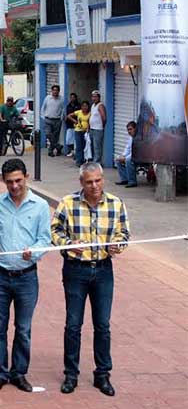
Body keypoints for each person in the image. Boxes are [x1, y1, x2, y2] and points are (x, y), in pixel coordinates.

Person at [51, 162, 130, 396]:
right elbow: (55, 231)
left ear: (103, 179)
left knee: (103, 325)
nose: (94, 186)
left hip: (104, 270)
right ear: (81, 183)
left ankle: (102, 374)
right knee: (73, 325)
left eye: (98, 180)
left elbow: (124, 232)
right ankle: (71, 374)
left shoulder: (116, 204)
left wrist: (119, 245)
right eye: (89, 182)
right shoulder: (68, 202)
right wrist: (68, 245)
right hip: (76, 270)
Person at [0, 159, 51, 393]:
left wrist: (33, 253)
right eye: (9, 182)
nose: (14, 186)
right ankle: (0, 373)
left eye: (18, 181)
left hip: (26, 277)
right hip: (0, 276)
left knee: (23, 328)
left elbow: (45, 239)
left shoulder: (40, 205)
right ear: (3, 181)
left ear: (26, 177)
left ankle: (19, 373)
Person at [41, 85, 65, 157]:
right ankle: (58, 146)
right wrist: (43, 117)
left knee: (55, 137)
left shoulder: (61, 99)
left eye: (56, 90)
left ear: (58, 91)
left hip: (57, 120)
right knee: (48, 134)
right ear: (51, 91)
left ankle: (51, 151)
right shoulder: (48, 98)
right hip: (48, 119)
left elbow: (63, 109)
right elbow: (43, 108)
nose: (55, 92)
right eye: (54, 90)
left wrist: (61, 118)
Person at [67, 100, 91, 167]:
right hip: (78, 130)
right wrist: (74, 121)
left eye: (86, 106)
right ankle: (78, 161)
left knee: (84, 146)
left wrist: (88, 129)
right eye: (83, 106)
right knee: (78, 146)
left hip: (85, 132)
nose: (84, 107)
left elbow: (90, 122)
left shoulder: (90, 114)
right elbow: (69, 116)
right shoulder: (79, 112)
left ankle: (83, 160)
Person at [115, 121, 138, 188]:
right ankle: (125, 179)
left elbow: (135, 152)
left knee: (128, 160)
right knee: (118, 160)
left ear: (135, 129)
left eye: (130, 129)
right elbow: (127, 149)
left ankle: (132, 182)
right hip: (132, 156)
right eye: (128, 130)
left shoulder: (139, 138)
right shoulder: (131, 138)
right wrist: (122, 156)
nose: (129, 131)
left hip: (139, 156)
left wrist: (125, 158)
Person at [89, 90, 107, 163]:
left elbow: (104, 118)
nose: (94, 98)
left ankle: (97, 163)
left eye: (96, 97)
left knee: (97, 147)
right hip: (92, 129)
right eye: (93, 96)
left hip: (98, 129)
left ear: (99, 97)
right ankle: (94, 161)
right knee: (92, 146)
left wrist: (102, 126)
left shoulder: (100, 106)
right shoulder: (93, 105)